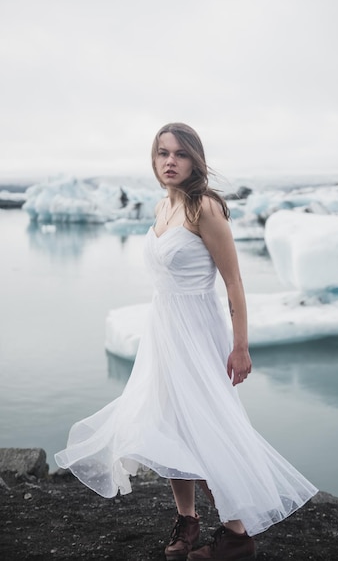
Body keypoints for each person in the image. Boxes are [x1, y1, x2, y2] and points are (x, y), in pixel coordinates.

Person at [55, 123, 318, 561]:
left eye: (179, 154)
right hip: (164, 330)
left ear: (195, 159)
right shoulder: (163, 207)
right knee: (169, 424)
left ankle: (236, 534)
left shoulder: (205, 208)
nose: (170, 161)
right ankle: (188, 521)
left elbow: (234, 285)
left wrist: (240, 346)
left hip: (199, 329)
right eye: (162, 153)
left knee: (208, 424)